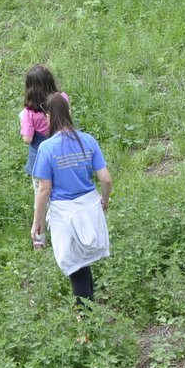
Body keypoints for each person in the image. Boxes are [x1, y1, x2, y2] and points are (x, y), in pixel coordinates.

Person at [30, 94, 112, 305]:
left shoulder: (47, 148)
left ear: (49, 116)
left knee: (75, 266)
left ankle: (86, 326)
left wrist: (37, 222)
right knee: (83, 263)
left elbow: (44, 190)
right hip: (89, 206)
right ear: (69, 112)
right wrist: (104, 200)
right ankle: (91, 312)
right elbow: (106, 179)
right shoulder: (88, 140)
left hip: (64, 213)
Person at [20, 65, 67, 203]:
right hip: (61, 151)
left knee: (40, 191)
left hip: (39, 157)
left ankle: (41, 219)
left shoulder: (29, 112)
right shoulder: (62, 98)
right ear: (51, 81)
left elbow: (28, 139)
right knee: (59, 186)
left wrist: (23, 126)